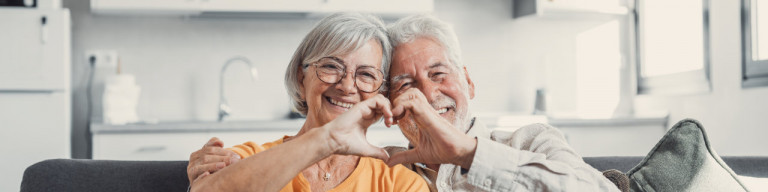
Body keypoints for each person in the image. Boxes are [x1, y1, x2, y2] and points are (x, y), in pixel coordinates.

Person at [186, 12, 428, 192]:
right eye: (331, 66)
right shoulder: (247, 159)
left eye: (366, 74)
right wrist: (326, 140)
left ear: (381, 93)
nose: (346, 86)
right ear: (302, 78)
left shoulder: (398, 183)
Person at [382, 14, 621, 191]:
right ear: (388, 105)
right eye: (406, 85)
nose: (428, 95)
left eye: (438, 74)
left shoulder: (533, 142)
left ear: (468, 82)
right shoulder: (381, 168)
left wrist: (469, 153)